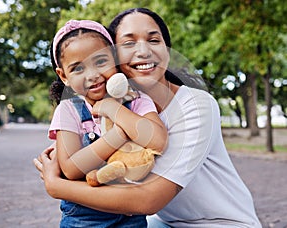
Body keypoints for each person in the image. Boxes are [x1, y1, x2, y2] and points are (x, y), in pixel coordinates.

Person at [34, 8, 262, 228]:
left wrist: (57, 186)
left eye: (153, 40)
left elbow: (148, 200)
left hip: (219, 224)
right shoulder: (90, 107)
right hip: (163, 222)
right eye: (129, 43)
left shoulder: (194, 105)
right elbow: (73, 162)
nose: (143, 51)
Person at [45, 19, 167, 227]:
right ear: (63, 76)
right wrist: (118, 135)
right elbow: (71, 169)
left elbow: (158, 140)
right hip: (84, 217)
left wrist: (113, 109)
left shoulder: (136, 99)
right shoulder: (68, 110)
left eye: (101, 61)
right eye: (77, 68)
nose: (92, 75)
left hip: (131, 213)